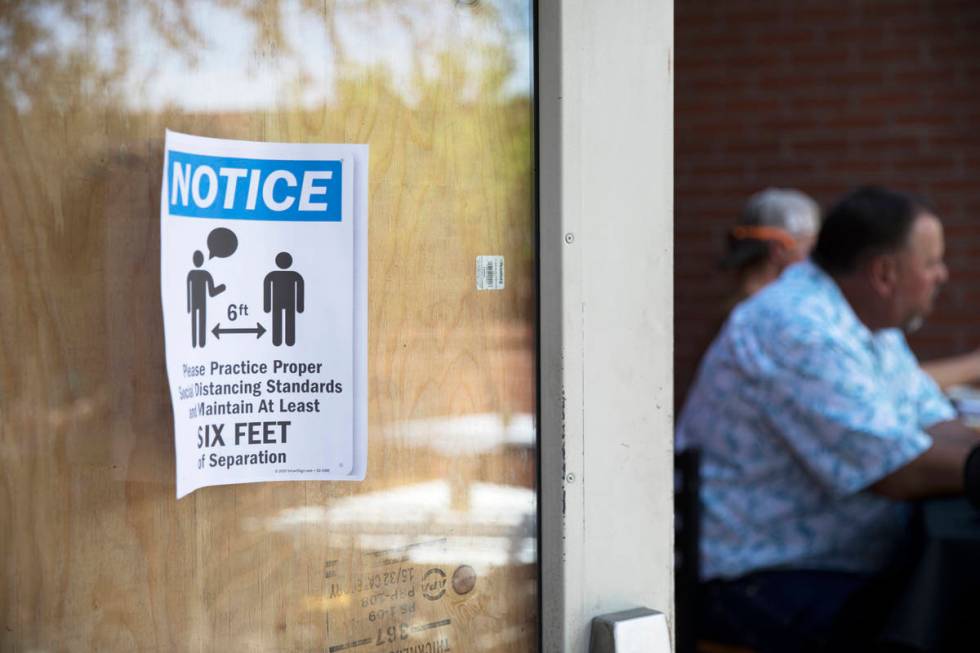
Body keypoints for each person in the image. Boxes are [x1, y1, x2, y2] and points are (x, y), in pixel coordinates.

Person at [676, 186, 980, 652]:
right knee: (948, 621)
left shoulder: (865, 322)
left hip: (832, 559)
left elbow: (929, 420)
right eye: (932, 262)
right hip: (756, 578)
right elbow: (895, 470)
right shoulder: (797, 325)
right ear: (885, 273)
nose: (943, 275)